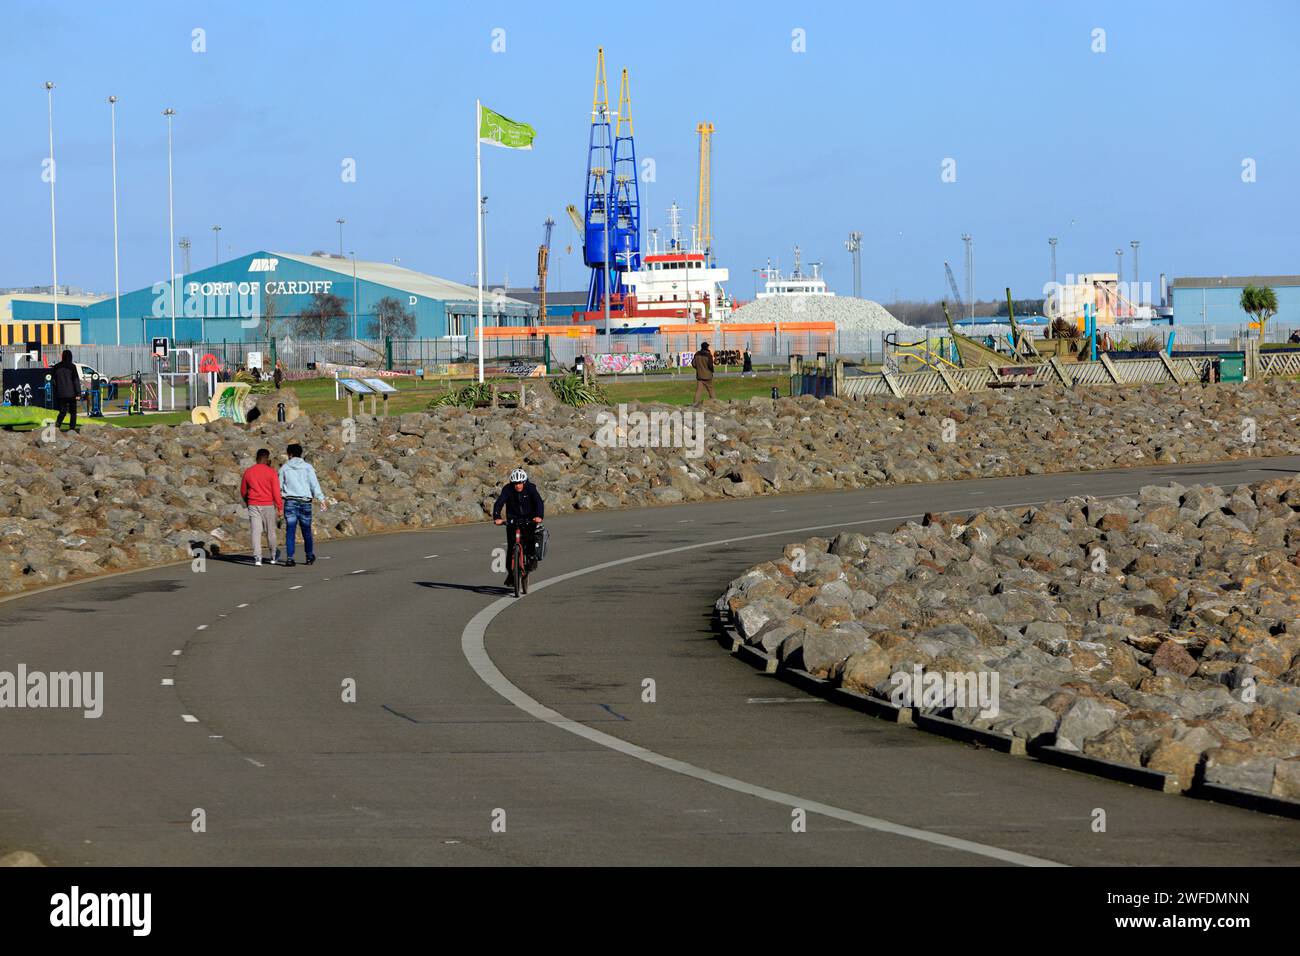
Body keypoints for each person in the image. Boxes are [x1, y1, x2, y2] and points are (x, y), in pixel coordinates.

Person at [492, 468, 544, 588]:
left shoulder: (531, 488)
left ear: (524, 482)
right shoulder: (507, 489)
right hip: (513, 520)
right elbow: (499, 503)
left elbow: (538, 502)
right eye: (515, 483)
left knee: (530, 542)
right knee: (511, 548)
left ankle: (529, 565)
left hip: (529, 519)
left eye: (520, 483)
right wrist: (497, 517)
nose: (518, 486)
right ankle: (511, 574)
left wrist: (539, 516)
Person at [279, 442, 327, 567]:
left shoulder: (284, 468)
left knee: (290, 530)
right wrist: (321, 499)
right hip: (305, 502)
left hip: (290, 501)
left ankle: (290, 558)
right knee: (306, 530)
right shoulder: (308, 467)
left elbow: (279, 486)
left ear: (289, 454)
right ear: (301, 454)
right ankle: (309, 556)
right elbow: (314, 484)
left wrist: (277, 501)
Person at [240, 448, 283, 566]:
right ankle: (273, 555)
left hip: (253, 503)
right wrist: (280, 507)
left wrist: (247, 501)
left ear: (256, 458)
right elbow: (276, 492)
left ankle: (257, 558)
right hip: (268, 504)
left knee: (256, 531)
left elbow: (243, 490)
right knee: (271, 532)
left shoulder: (249, 471)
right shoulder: (271, 472)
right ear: (267, 458)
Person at [51, 350, 81, 432]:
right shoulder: (72, 366)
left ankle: (57, 426)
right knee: (73, 412)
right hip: (72, 394)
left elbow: (53, 381)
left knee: (62, 412)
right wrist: (78, 393)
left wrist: (57, 390)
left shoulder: (56, 367)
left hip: (61, 394)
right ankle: (72, 428)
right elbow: (76, 380)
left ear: (62, 356)